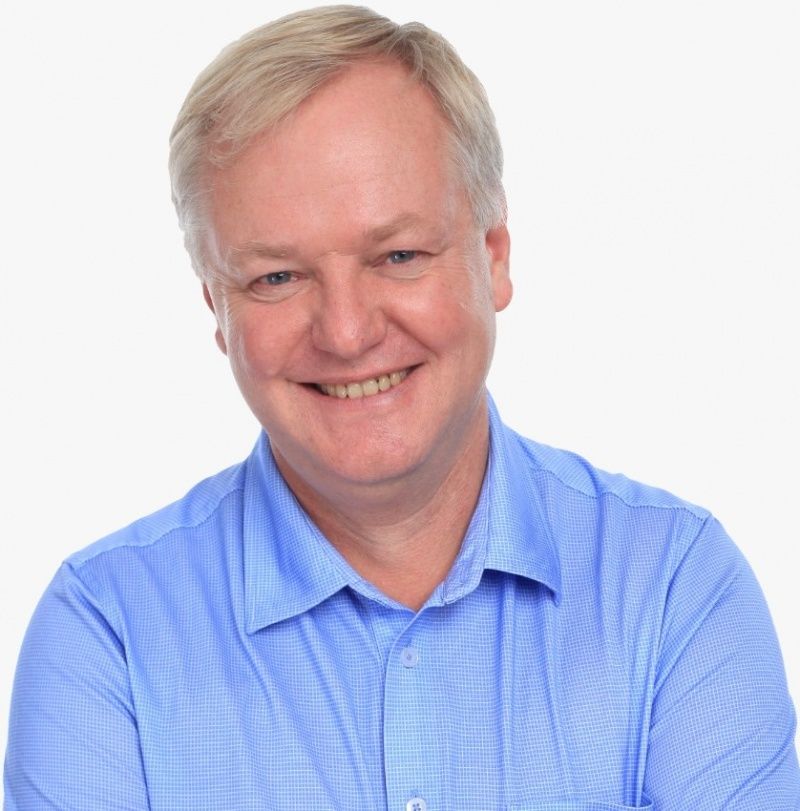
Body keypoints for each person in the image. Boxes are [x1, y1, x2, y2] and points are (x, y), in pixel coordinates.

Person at [4, 6, 799, 810]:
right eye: (277, 276)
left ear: (494, 257)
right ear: (218, 307)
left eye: (398, 255)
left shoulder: (673, 587)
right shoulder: (105, 635)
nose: (347, 332)